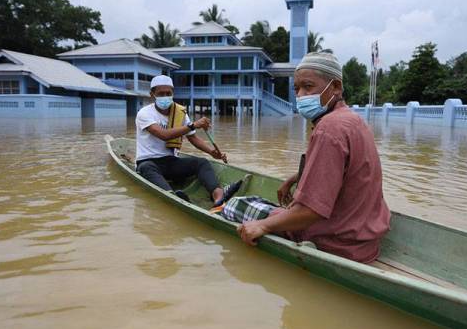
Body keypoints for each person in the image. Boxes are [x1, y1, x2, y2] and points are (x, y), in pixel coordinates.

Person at [237, 52, 391, 263]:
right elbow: (342, 169)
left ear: (336, 87)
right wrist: (294, 178)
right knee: (274, 209)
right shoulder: (352, 120)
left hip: (335, 243)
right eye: (297, 89)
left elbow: (311, 212)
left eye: (308, 87)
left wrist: (263, 226)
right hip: (363, 242)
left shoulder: (329, 128)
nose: (300, 95)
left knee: (236, 204)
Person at [135, 75, 240, 205]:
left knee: (201, 163)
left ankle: (219, 197)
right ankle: (173, 197)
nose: (165, 96)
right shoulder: (144, 113)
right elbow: (164, 135)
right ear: (152, 95)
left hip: (170, 162)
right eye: (161, 94)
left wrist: (211, 152)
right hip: (149, 162)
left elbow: (193, 138)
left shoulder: (179, 112)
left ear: (173, 93)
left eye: (168, 93)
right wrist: (193, 124)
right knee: (145, 167)